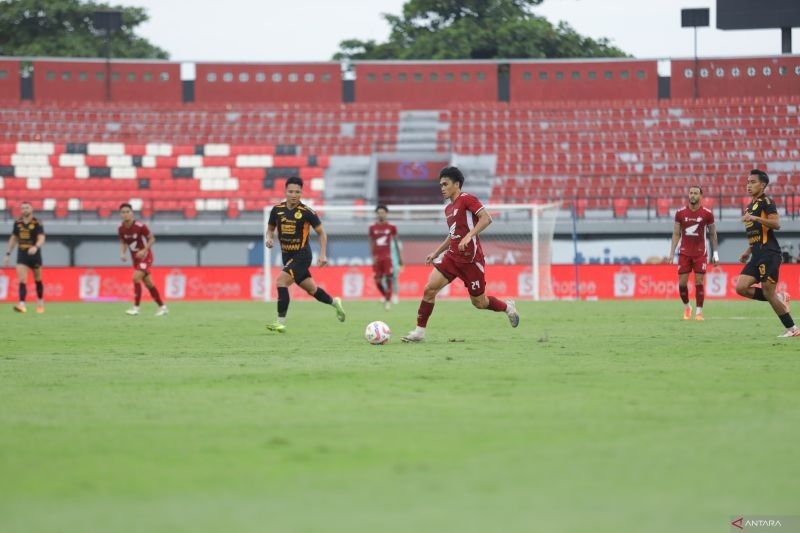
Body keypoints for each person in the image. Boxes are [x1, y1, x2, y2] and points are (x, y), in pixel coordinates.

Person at [402, 167, 519, 343]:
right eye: (440, 184)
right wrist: (436, 252)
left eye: (445, 184)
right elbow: (453, 235)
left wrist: (469, 235)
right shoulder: (448, 209)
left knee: (479, 303)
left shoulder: (467, 199)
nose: (442, 188)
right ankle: (419, 332)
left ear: (456, 184)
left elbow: (486, 218)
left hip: (471, 260)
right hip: (452, 258)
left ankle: (507, 307)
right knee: (429, 289)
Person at [265, 176, 345, 332]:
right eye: (291, 191)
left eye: (297, 192)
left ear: (301, 193)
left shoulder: (307, 212)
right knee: (312, 290)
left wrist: (322, 255)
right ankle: (335, 302)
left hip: (302, 255)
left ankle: (280, 322)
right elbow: (270, 229)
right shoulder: (277, 210)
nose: (294, 195)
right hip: (287, 256)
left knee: (281, 282)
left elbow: (322, 233)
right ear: (285, 192)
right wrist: (269, 239)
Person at [735, 169, 798, 337]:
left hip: (769, 253)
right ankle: (780, 298)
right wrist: (747, 251)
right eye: (747, 182)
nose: (749, 185)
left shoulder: (767, 202)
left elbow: (776, 224)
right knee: (741, 288)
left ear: (763, 185)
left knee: (768, 292)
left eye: (753, 182)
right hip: (756, 255)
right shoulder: (750, 206)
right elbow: (756, 233)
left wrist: (756, 218)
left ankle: (792, 329)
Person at [667, 186, 719, 321]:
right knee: (682, 284)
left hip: (701, 253)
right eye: (691, 193)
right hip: (684, 253)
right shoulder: (680, 213)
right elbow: (676, 234)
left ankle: (699, 312)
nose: (692, 195)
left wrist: (716, 253)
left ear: (701, 196)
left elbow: (713, 234)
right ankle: (687, 307)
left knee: (699, 282)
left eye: (696, 193)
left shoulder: (707, 214)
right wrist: (671, 253)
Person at [118, 203, 168, 316]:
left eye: (127, 212)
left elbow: (152, 239)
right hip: (135, 259)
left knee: (136, 278)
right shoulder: (121, 229)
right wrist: (122, 253)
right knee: (149, 284)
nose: (125, 214)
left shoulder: (140, 226)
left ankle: (136, 308)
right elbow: (123, 242)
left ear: (132, 213)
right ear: (120, 214)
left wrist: (144, 250)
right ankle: (162, 307)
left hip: (146, 257)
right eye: (123, 212)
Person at [3, 201, 45, 313]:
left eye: (27, 208)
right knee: (22, 279)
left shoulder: (37, 223)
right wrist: (8, 254)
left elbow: (41, 238)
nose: (24, 210)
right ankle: (22, 304)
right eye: (22, 208)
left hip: (34, 254)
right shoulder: (17, 223)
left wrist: (36, 247)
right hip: (22, 254)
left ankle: (40, 302)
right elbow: (13, 238)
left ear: (31, 209)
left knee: (38, 279)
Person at [368, 205, 403, 310]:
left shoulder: (391, 227)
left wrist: (400, 257)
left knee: (389, 278)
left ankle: (388, 300)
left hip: (387, 257)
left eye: (383, 212)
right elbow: (371, 243)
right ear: (376, 214)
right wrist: (372, 256)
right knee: (377, 281)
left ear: (386, 214)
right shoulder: (372, 228)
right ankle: (386, 296)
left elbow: (396, 242)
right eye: (379, 212)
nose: (381, 214)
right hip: (377, 258)